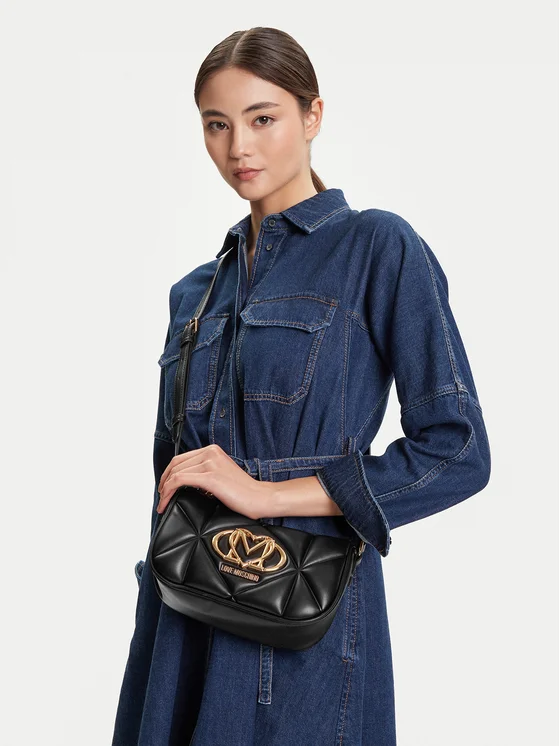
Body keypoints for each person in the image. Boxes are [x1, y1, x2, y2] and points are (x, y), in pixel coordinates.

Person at [111, 26, 491, 746]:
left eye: (263, 118)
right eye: (217, 125)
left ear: (313, 115)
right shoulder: (196, 291)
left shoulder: (377, 247)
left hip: (302, 625)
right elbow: (173, 470)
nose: (239, 148)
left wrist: (268, 494)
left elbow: (457, 451)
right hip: (181, 617)